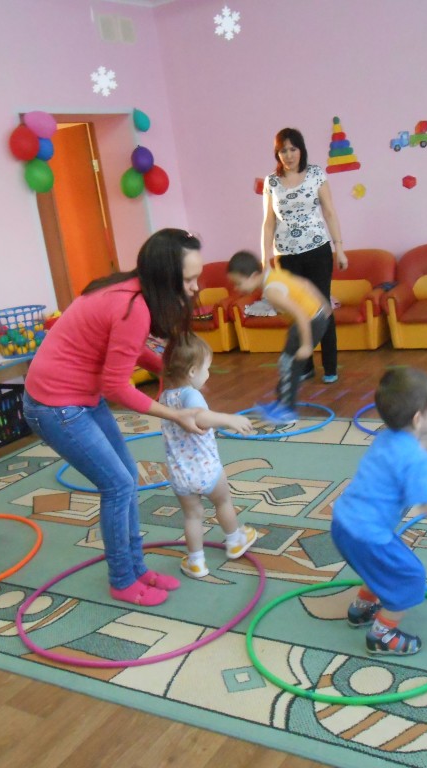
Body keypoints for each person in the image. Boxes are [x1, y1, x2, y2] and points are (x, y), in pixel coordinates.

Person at [22, 229, 250, 607]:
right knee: (118, 486)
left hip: (80, 395)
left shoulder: (133, 292)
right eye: (189, 280)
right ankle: (122, 579)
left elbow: (125, 352)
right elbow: (116, 387)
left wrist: (170, 371)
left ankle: (137, 568)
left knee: (126, 477)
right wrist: (175, 413)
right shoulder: (132, 308)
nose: (195, 288)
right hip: (54, 405)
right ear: (164, 277)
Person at [331, 367, 427, 655]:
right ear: (418, 419)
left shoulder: (386, 437)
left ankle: (361, 608)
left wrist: (425, 443)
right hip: (368, 535)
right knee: (409, 576)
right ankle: (382, 635)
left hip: (343, 524)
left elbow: (400, 456)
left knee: (379, 567)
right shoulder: (414, 459)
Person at [158, 332, 258, 579]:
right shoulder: (190, 395)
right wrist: (228, 419)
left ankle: (196, 562)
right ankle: (234, 540)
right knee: (223, 502)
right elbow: (200, 418)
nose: (208, 374)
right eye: (207, 368)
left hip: (181, 475)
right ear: (192, 371)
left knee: (192, 516)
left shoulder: (164, 397)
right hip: (207, 470)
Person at [262, 127, 347, 384]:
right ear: (277, 154)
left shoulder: (316, 174)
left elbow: (330, 212)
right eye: (283, 150)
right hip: (286, 256)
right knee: (297, 310)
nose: (288, 155)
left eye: (293, 149)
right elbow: (268, 222)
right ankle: (306, 365)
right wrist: (265, 258)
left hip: (318, 251)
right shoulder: (271, 182)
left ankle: (330, 366)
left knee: (322, 307)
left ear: (301, 150)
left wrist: (339, 248)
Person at [227, 249, 332, 424]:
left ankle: (288, 411)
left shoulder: (271, 291)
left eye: (238, 283)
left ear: (253, 276)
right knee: (286, 362)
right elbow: (305, 283)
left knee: (290, 366)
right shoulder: (272, 274)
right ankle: (282, 401)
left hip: (310, 322)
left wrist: (306, 346)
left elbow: (300, 313)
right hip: (310, 319)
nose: (236, 289)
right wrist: (324, 304)